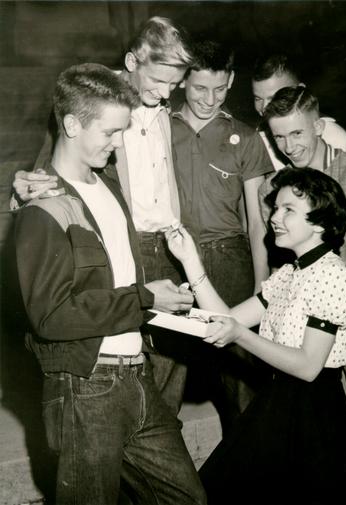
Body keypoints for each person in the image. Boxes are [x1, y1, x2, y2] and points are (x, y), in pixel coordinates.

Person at [14, 63, 206, 505]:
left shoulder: (108, 187)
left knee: (187, 497)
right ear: (71, 125)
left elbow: (115, 277)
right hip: (86, 386)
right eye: (110, 132)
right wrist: (142, 298)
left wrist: (156, 297)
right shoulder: (42, 208)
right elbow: (52, 316)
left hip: (136, 375)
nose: (118, 144)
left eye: (124, 130)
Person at [165, 167, 346, 505]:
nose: (274, 218)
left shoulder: (332, 277)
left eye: (288, 210)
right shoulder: (289, 274)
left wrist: (240, 335)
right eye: (276, 208)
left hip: (314, 417)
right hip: (278, 402)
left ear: (321, 223)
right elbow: (227, 319)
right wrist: (191, 262)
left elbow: (309, 366)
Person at [11, 16, 194, 416]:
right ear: (132, 62)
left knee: (168, 372)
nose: (165, 94)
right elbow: (49, 174)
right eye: (158, 81)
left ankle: (154, 432)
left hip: (167, 245)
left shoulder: (164, 108)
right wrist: (23, 190)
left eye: (173, 85)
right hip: (121, 250)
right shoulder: (95, 102)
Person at [260, 85, 346, 504]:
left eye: (297, 135)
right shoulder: (282, 183)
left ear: (319, 127)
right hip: (308, 325)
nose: (289, 147)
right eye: (279, 138)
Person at [171, 39, 272, 428]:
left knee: (240, 380)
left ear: (230, 81)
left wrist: (261, 285)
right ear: (182, 81)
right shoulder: (159, 129)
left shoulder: (245, 138)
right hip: (174, 258)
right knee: (167, 375)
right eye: (199, 88)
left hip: (230, 260)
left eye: (219, 89)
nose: (209, 99)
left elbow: (257, 221)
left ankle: (249, 472)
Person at [252, 54, 346, 170]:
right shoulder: (255, 138)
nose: (265, 107)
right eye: (258, 99)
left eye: (275, 97)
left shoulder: (333, 136)